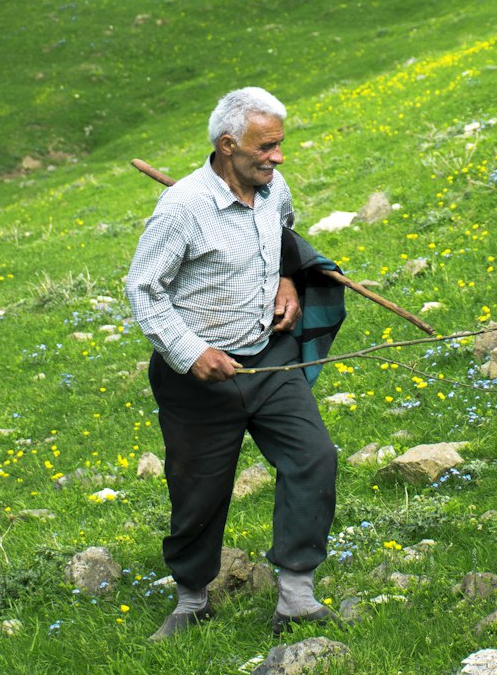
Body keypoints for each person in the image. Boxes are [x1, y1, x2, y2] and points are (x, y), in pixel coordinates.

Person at [127, 86, 342, 641]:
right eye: (266, 147)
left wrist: (288, 281)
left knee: (314, 458)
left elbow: (284, 235)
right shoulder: (182, 209)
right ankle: (192, 600)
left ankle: (296, 598)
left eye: (280, 145)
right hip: (199, 380)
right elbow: (144, 289)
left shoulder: (274, 190)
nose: (278, 157)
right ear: (227, 145)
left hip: (270, 362)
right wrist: (192, 352)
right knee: (199, 490)